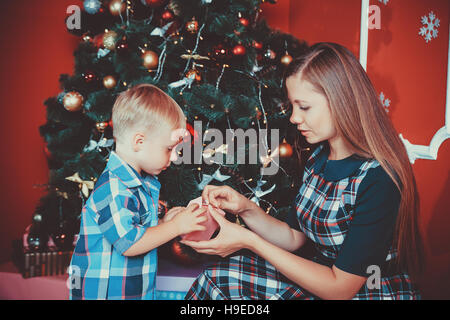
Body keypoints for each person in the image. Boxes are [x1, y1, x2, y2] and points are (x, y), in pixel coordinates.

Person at [182, 43, 424, 300]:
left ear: (341, 101)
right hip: (321, 275)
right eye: (293, 107)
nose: (294, 118)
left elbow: (340, 288)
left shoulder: (379, 178)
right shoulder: (318, 159)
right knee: (219, 278)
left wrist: (248, 240)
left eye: (304, 107)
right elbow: (293, 237)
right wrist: (244, 207)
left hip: (362, 291)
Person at [68, 84, 208, 300]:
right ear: (139, 142)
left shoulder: (141, 184)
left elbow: (139, 231)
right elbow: (130, 243)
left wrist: (162, 224)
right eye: (169, 148)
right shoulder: (114, 187)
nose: (173, 157)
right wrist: (175, 227)